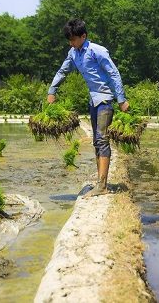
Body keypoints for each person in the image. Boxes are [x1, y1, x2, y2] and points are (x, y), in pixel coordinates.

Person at [47, 18, 129, 198]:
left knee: (101, 139)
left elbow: (113, 73)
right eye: (69, 40)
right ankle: (101, 182)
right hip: (93, 100)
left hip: (105, 99)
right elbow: (62, 71)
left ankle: (102, 186)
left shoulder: (97, 51)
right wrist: (52, 90)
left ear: (83, 36)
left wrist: (121, 99)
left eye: (73, 39)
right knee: (96, 141)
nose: (71, 43)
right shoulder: (73, 53)